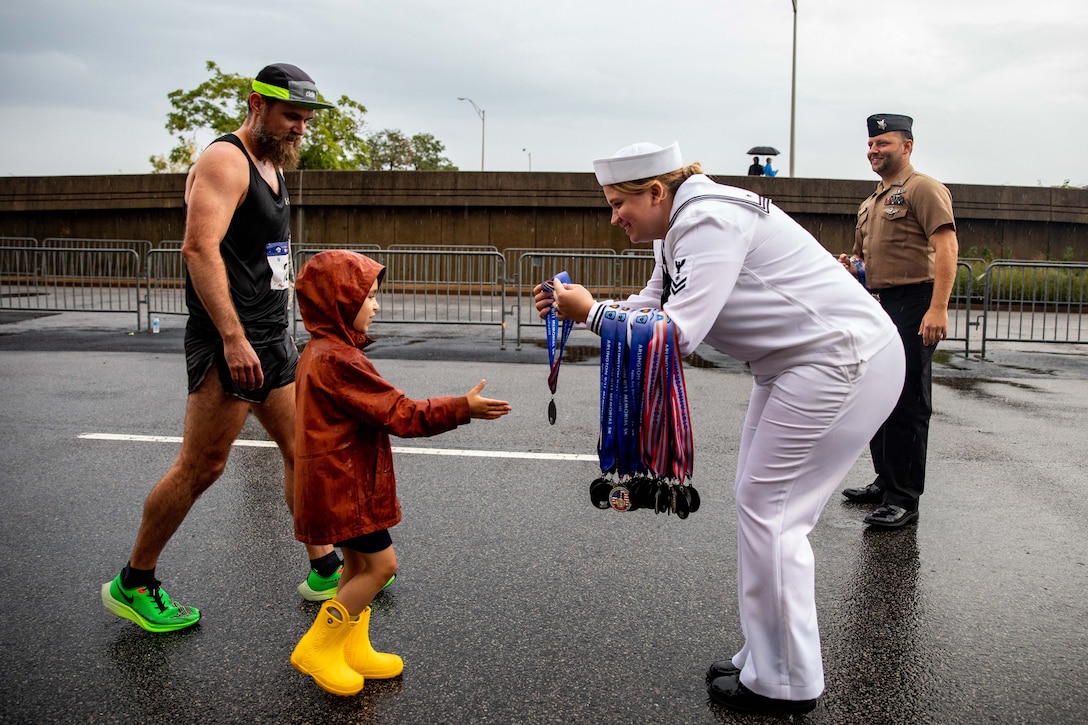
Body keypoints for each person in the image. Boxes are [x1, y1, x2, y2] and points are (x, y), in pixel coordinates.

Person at [534, 141, 905, 716]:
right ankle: (766, 652)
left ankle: (785, 680)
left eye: (617, 203)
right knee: (759, 506)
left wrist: (591, 313)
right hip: (803, 364)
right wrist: (579, 309)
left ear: (656, 191)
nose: (613, 217)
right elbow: (648, 307)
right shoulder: (682, 223)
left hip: (839, 362)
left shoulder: (706, 220)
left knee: (773, 514)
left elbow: (675, 335)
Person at [101, 63, 342, 633]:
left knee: (299, 447)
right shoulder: (224, 160)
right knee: (202, 465)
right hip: (229, 340)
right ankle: (134, 582)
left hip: (270, 335)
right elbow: (198, 250)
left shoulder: (271, 164)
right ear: (257, 103)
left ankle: (325, 564)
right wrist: (233, 338)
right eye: (291, 117)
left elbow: (257, 254)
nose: (300, 130)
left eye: (306, 120)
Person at [288, 250, 511, 695]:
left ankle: (351, 649)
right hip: (344, 486)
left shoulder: (322, 350)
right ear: (340, 301)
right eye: (368, 296)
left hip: (336, 485)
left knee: (355, 567)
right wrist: (461, 408)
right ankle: (316, 646)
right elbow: (400, 413)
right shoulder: (339, 360)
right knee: (381, 567)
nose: (376, 305)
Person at [838, 114, 958, 529]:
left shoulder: (923, 188)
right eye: (871, 144)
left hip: (915, 301)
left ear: (906, 147)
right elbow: (862, 260)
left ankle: (904, 499)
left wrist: (937, 308)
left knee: (907, 401)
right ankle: (885, 481)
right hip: (879, 302)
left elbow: (946, 245)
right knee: (877, 394)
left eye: (883, 143)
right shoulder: (871, 200)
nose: (874, 150)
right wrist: (850, 266)